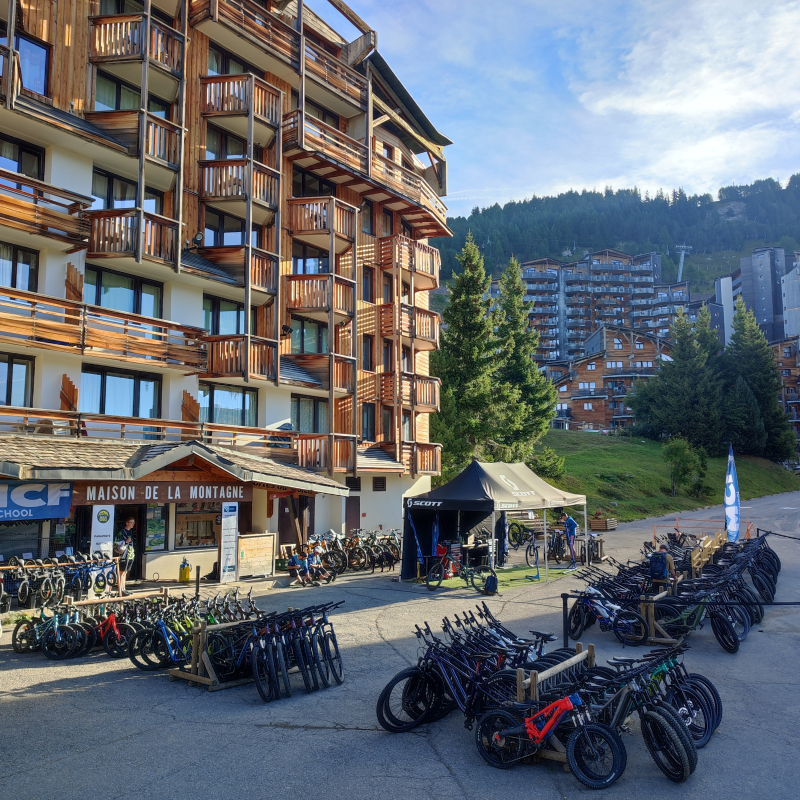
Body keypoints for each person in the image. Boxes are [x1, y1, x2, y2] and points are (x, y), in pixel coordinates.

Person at [114, 517, 136, 595]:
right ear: (127, 523)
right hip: (124, 555)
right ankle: (121, 589)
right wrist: (126, 542)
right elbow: (116, 542)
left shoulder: (130, 532)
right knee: (121, 572)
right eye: (131, 522)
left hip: (130, 555)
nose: (133, 524)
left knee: (125, 572)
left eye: (134, 522)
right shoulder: (122, 532)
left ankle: (124, 588)